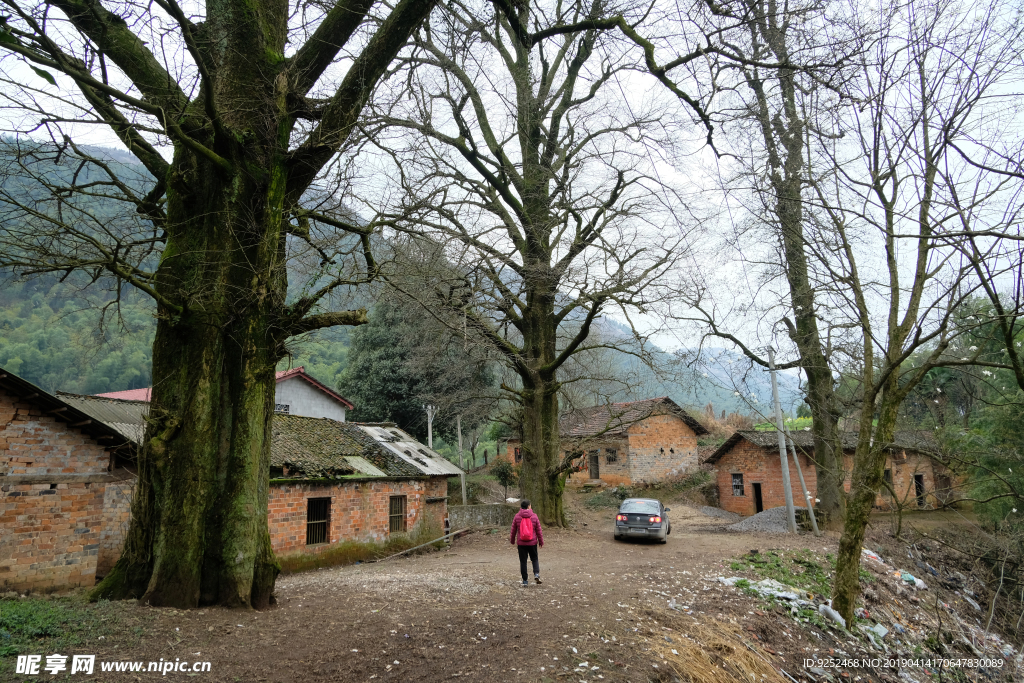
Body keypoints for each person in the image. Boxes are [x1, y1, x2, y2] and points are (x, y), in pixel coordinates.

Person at [510, 499, 543, 586]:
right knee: (534, 559)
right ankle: (536, 574)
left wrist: (512, 540)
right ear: (528, 506)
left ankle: (525, 580)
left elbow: (513, 530)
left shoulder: (517, 516)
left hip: (521, 543)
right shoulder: (534, 516)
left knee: (523, 562)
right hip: (532, 543)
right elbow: (539, 530)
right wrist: (541, 541)